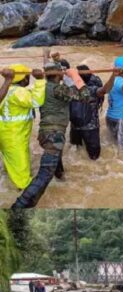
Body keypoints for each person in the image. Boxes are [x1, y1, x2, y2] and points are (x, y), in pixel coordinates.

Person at [12, 60, 90, 209]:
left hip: (44, 134)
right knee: (44, 175)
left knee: (54, 162)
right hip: (54, 135)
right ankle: (20, 205)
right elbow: (86, 96)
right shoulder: (58, 89)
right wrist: (75, 76)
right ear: (58, 75)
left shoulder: (40, 87)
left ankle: (60, 175)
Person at [0, 65, 45, 190]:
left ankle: (11, 177)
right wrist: (40, 80)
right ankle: (24, 186)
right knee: (20, 162)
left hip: (7, 132)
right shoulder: (19, 92)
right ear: (24, 80)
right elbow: (36, 101)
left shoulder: (7, 89)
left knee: (11, 158)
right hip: (14, 134)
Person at [69, 65, 104, 160]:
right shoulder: (92, 88)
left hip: (75, 126)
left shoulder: (70, 89)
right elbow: (104, 90)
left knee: (76, 153)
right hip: (91, 128)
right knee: (94, 157)